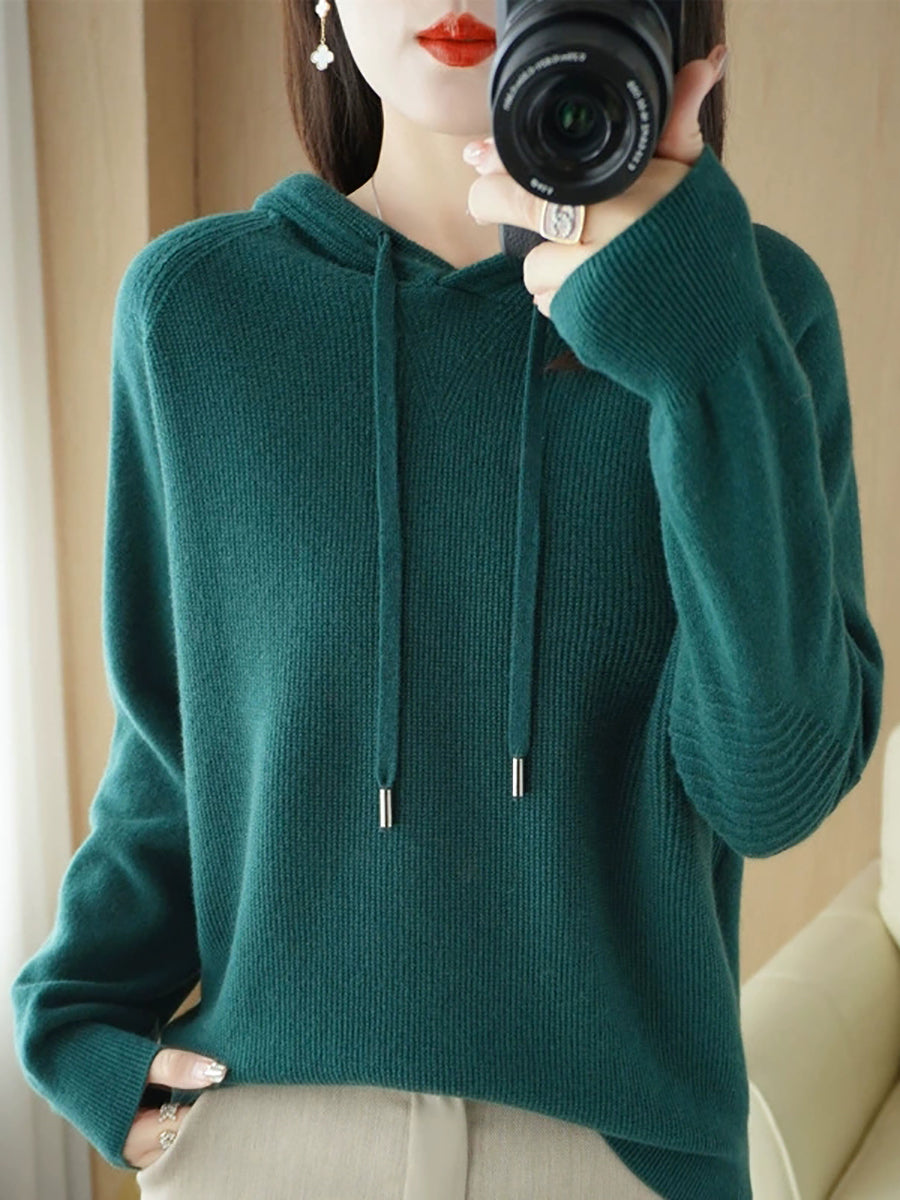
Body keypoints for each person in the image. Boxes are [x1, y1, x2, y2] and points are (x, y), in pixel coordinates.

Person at [10, 1, 884, 1197]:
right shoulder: (199, 309)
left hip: (617, 1159)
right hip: (271, 1146)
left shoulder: (747, 308)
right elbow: (179, 748)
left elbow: (772, 782)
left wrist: (695, 341)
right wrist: (82, 1030)